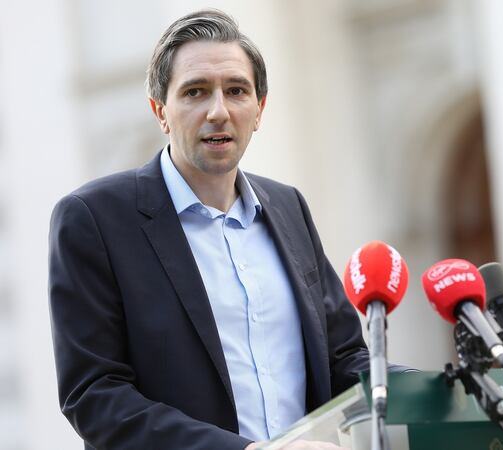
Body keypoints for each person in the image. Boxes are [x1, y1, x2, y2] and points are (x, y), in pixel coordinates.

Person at [49, 9, 378, 450]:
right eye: (195, 92)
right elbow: (94, 396)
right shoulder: (92, 219)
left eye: (236, 91)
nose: (218, 111)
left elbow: (343, 359)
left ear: (259, 110)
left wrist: (441, 388)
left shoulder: (287, 207)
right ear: (160, 111)